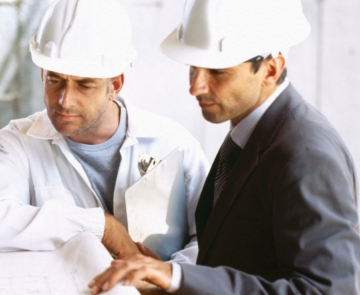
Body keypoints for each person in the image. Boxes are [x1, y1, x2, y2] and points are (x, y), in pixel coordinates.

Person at [89, 0, 360, 294]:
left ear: (270, 69)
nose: (196, 86)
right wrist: (173, 281)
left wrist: (179, 278)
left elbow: (327, 291)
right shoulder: (252, 133)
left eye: (218, 72)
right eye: (193, 66)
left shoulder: (307, 157)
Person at [0, 0, 209, 265]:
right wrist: (98, 225)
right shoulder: (18, 142)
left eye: (84, 85)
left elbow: (212, 239)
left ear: (115, 85)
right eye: (55, 80)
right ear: (42, 74)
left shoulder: (173, 144)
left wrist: (167, 278)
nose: (65, 100)